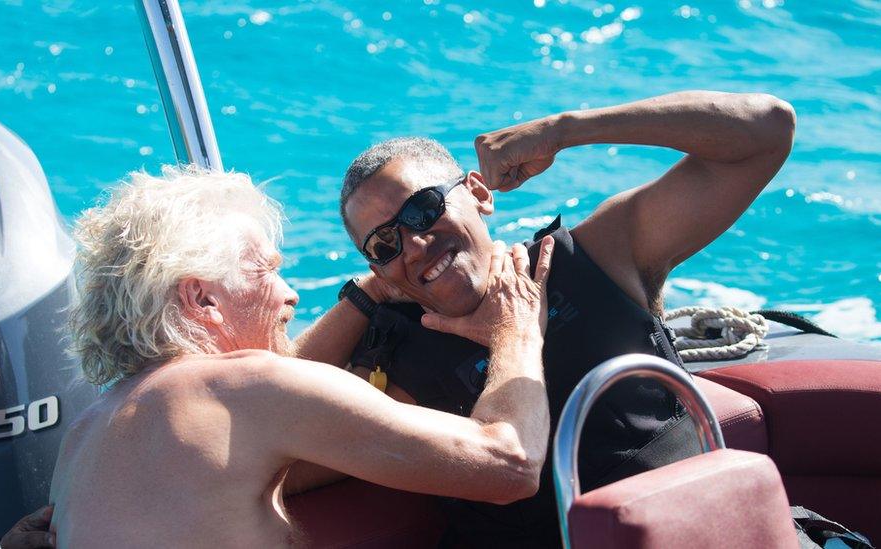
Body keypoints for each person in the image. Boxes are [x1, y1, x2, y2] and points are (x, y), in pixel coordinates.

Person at [338, 91, 796, 546]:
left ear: (478, 193)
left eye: (423, 209)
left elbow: (767, 130)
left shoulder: (599, 259)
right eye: (384, 245)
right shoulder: (394, 369)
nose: (415, 244)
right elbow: (278, 418)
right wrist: (363, 296)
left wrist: (567, 130)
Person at [45, 167, 556, 547]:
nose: (290, 295)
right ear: (202, 300)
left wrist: (370, 294)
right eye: (265, 272)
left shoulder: (84, 437)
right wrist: (517, 328)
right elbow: (509, 464)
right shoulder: (245, 390)